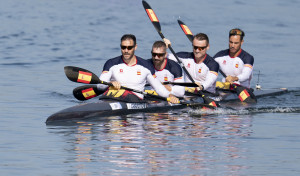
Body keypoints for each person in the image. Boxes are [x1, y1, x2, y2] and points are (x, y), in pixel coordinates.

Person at [97, 34, 179, 104]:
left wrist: (170, 95)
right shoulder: (111, 63)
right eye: (123, 47)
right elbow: (100, 86)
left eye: (129, 48)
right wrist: (109, 83)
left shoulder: (146, 66)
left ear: (135, 47)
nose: (126, 50)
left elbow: (158, 87)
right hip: (113, 98)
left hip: (135, 100)